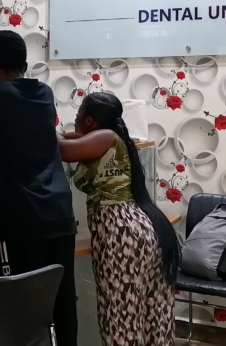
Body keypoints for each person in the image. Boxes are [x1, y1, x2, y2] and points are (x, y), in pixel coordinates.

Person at [0, 30, 78, 346]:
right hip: (60, 213)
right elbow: (28, 133)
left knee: (18, 305)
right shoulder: (44, 92)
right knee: (63, 301)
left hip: (22, 217)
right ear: (24, 62)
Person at [57, 92, 179, 346]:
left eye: (78, 113)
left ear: (89, 120)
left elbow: (63, 149)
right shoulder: (113, 138)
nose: (75, 119)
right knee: (150, 312)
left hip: (119, 232)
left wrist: (39, 126)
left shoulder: (105, 137)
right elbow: (70, 139)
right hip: (139, 229)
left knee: (120, 315)